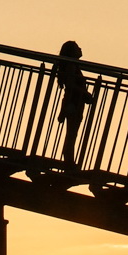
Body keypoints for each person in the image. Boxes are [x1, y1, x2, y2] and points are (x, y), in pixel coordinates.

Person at [55, 40, 93, 168]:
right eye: (77, 47)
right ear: (72, 52)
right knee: (71, 134)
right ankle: (69, 162)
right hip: (73, 103)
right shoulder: (72, 66)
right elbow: (71, 85)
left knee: (71, 133)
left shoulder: (73, 66)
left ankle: (69, 161)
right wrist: (85, 93)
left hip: (73, 102)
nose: (80, 49)